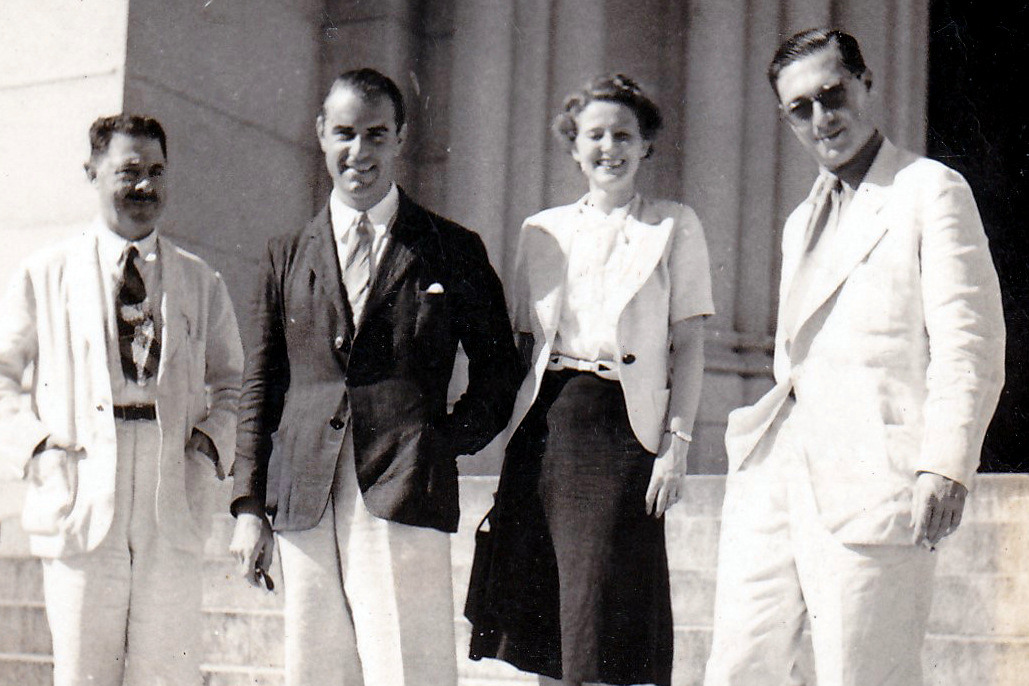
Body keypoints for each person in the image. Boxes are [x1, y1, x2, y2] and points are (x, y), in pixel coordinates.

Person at [704, 28, 1006, 686]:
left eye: (832, 94)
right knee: (738, 668)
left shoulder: (929, 189)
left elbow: (969, 339)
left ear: (865, 84)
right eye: (800, 108)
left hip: (873, 477)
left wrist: (945, 463)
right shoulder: (798, 221)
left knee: (861, 673)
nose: (821, 118)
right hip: (778, 476)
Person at [228, 67, 521, 686]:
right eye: (344, 133)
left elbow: (500, 370)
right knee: (315, 672)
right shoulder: (286, 254)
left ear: (400, 138)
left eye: (376, 134)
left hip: (403, 486)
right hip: (305, 493)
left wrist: (440, 443)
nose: (359, 151)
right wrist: (250, 505)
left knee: (407, 670)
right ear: (320, 134)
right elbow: (261, 386)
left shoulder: (451, 247)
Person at [468, 73, 714, 686]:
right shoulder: (540, 230)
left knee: (602, 615)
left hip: (623, 431)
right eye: (595, 135)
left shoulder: (675, 225)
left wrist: (676, 447)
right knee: (547, 618)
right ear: (573, 147)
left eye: (624, 135)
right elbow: (524, 341)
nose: (610, 148)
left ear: (646, 145)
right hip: (547, 426)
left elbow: (688, 344)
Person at [0, 114, 244, 685]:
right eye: (129, 170)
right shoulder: (46, 273)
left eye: (156, 171)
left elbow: (233, 382)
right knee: (83, 674)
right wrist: (37, 447)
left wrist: (210, 448)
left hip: (170, 495)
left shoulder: (199, 280)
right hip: (81, 495)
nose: (144, 186)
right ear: (92, 173)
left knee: (167, 675)